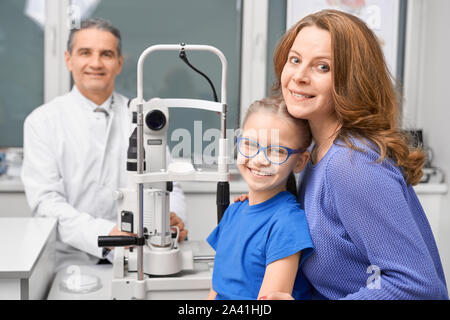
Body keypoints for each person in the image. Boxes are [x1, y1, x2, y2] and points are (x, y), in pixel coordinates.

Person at [263, 9, 448, 299]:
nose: (299, 76)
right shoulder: (316, 151)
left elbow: (415, 286)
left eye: (322, 67)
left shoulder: (352, 164)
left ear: (352, 80)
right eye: (295, 60)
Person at [21, 18, 187, 271]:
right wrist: (107, 232)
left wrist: (172, 219)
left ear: (119, 63)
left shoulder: (142, 116)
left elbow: (169, 183)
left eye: (106, 54)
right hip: (68, 260)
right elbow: (46, 202)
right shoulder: (42, 122)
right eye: (85, 52)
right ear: (69, 59)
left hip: (139, 256)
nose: (96, 63)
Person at [206, 97, 314, 300]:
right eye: (249, 144)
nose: (259, 160)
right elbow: (216, 290)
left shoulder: (287, 224)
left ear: (300, 162)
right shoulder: (234, 212)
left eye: (277, 151)